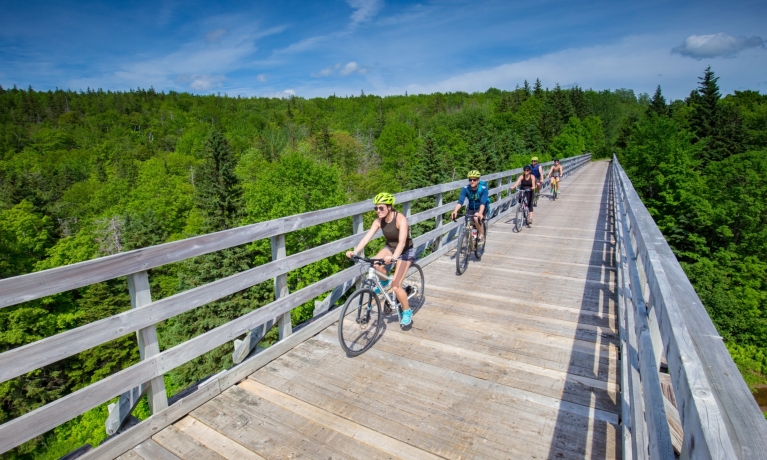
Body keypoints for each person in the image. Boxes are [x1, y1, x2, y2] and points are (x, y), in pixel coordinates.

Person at [346, 192, 415, 326]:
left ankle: (407, 311)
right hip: (390, 247)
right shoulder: (378, 221)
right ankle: (383, 282)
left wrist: (394, 258)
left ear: (389, 207)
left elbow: (401, 243)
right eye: (376, 208)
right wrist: (355, 252)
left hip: (405, 251)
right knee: (375, 263)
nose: (378, 211)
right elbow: (367, 237)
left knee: (396, 286)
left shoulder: (400, 219)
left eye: (381, 208)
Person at [450, 170, 489, 243]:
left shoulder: (483, 189)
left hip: (481, 208)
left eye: (474, 180)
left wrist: (480, 213)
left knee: (475, 217)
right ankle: (469, 245)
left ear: (478, 180)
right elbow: (460, 201)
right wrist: (455, 211)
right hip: (471, 208)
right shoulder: (465, 189)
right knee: (468, 226)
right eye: (470, 179)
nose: (472, 181)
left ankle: (481, 235)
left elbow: (483, 202)